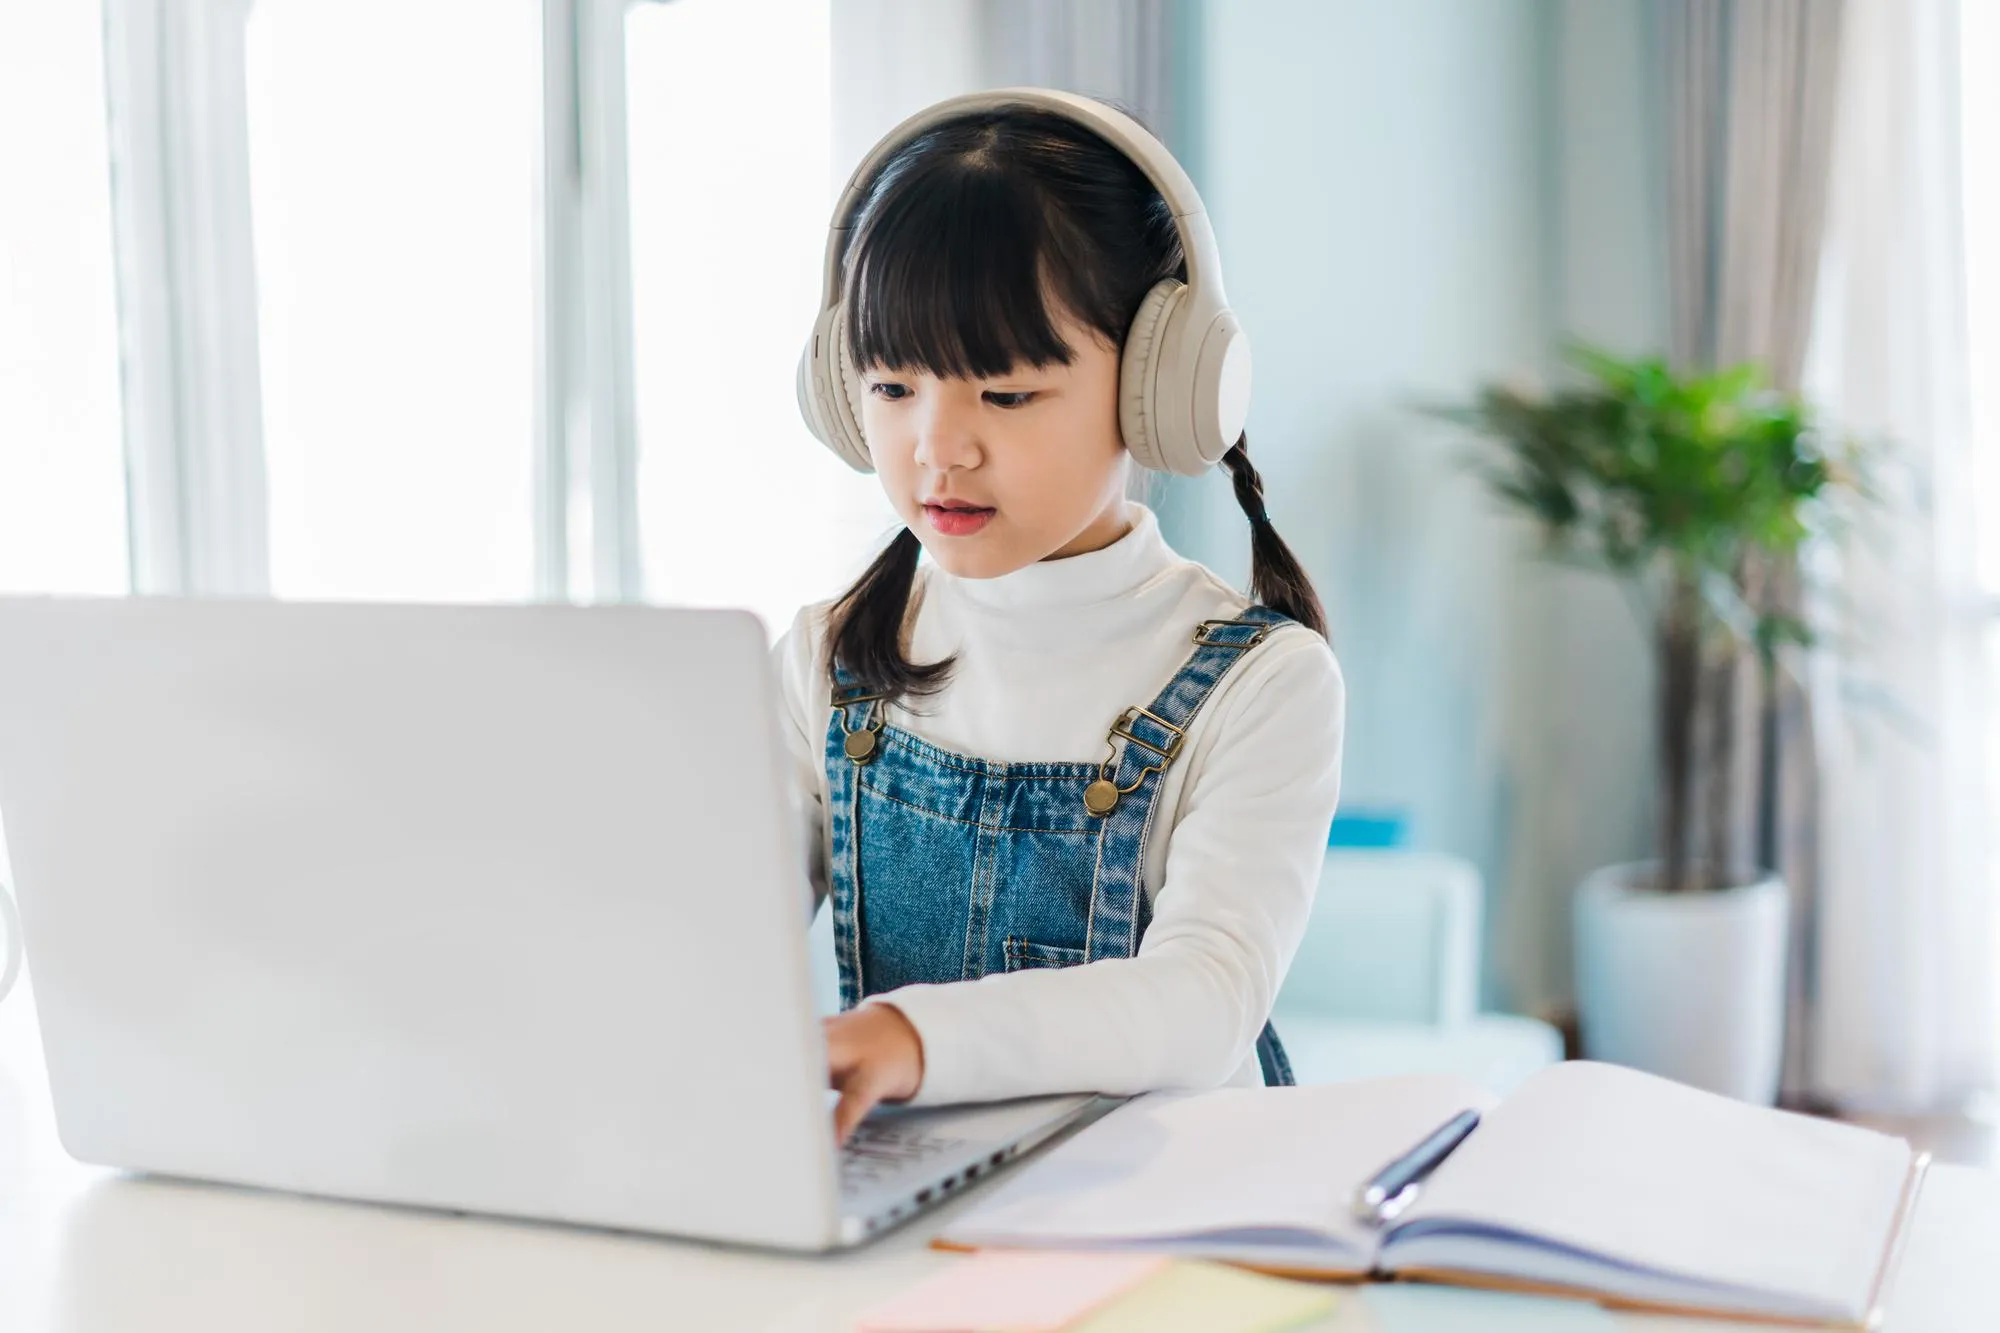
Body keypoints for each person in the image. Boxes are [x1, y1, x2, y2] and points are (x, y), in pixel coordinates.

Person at [777, 90, 1345, 1142]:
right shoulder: (824, 658)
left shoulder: (1265, 681)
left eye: (1002, 394)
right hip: (918, 1201)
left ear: (1157, 387)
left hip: (1174, 1204)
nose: (937, 449)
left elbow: (1203, 1001)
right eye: (891, 385)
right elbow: (710, 931)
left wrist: (915, 1036)